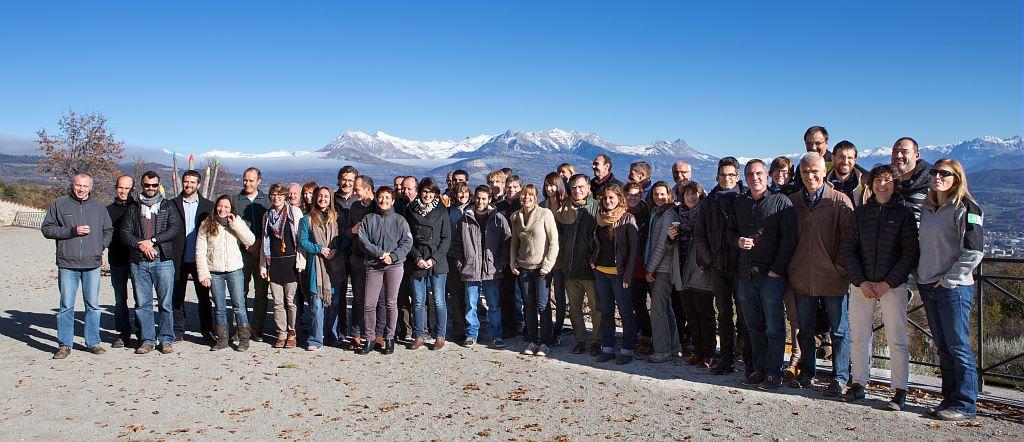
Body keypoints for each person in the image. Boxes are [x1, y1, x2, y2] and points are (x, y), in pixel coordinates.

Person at [840, 164, 919, 410]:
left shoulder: (904, 214)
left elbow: (909, 253)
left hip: (891, 286)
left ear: (895, 184)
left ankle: (899, 390)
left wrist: (888, 283)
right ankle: (859, 383)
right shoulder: (860, 213)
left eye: (887, 180)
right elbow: (848, 248)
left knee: (897, 339)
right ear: (870, 184)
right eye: (877, 180)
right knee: (860, 336)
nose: (881, 185)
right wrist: (860, 280)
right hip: (861, 284)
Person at [917, 158, 984, 421]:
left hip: (952, 289)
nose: (937, 177)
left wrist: (948, 280)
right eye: (934, 172)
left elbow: (974, 251)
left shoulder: (967, 207)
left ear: (956, 177)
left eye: (944, 173)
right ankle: (949, 399)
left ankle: (966, 403)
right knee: (943, 347)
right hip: (928, 284)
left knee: (958, 346)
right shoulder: (929, 208)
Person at [787, 153, 855, 396]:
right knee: (804, 329)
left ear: (824, 172)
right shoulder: (793, 202)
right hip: (801, 276)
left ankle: (839, 377)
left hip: (833, 279)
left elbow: (850, 239)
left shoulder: (839, 201)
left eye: (815, 171)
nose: (810, 176)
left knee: (838, 331)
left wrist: (840, 269)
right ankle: (807, 372)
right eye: (805, 172)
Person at [729, 159, 798, 390]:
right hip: (746, 274)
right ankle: (758, 369)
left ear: (767, 176)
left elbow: (789, 239)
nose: (755, 178)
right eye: (750, 174)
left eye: (759, 173)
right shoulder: (740, 203)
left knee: (774, 327)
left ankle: (773, 372)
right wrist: (737, 241)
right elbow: (729, 232)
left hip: (771, 276)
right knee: (753, 326)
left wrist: (777, 270)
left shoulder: (781, 202)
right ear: (745, 178)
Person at [42, 173, 114, 359]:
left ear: (91, 187)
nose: (81, 189)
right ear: (72, 185)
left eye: (85, 186)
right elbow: (47, 229)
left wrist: (101, 246)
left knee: (93, 305)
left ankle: (93, 342)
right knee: (66, 305)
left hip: (92, 263)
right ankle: (65, 344)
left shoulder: (99, 207)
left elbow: (108, 230)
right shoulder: (59, 204)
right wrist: (71, 232)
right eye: (78, 185)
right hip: (67, 263)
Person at [694, 157, 751, 375]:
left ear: (737, 176)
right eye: (722, 175)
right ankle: (726, 359)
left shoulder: (745, 199)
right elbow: (700, 235)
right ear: (717, 177)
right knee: (724, 315)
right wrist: (710, 260)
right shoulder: (709, 202)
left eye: (731, 175)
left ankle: (748, 360)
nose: (726, 179)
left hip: (742, 266)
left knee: (746, 315)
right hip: (719, 267)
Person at [122, 171, 182, 355]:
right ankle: (147, 340)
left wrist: (153, 241)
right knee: (142, 304)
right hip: (139, 262)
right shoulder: (133, 208)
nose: (151, 188)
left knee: (165, 303)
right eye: (147, 185)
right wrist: (141, 244)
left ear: (158, 186)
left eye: (154, 185)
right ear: (142, 185)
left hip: (162, 260)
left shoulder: (168, 206)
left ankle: (165, 339)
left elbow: (174, 228)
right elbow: (125, 232)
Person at [451, 185, 511, 348]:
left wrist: (500, 264)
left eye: (484, 198)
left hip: (492, 269)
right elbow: (456, 244)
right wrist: (461, 263)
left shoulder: (499, 219)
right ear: (474, 198)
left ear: (489, 199)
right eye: (478, 198)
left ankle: (495, 334)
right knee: (471, 304)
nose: (480, 201)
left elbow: (506, 243)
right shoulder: (464, 219)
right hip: (470, 268)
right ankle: (471, 334)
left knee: (493, 304)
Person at [356, 186, 413, 355]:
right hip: (374, 265)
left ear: (393, 200)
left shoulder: (400, 220)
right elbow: (363, 240)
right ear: (376, 198)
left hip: (394, 266)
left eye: (387, 198)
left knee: (390, 303)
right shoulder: (368, 219)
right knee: (369, 304)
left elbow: (407, 243)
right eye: (381, 197)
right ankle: (370, 338)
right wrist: (380, 254)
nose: (384, 201)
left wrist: (393, 257)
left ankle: (389, 338)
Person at [196, 195, 256, 351]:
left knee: (239, 305)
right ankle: (222, 339)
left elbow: (250, 240)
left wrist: (235, 224)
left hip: (234, 269)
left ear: (231, 209)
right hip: (215, 271)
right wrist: (203, 275)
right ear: (215, 206)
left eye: (226, 207)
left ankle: (244, 339)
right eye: (220, 206)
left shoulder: (236, 222)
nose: (222, 209)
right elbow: (200, 252)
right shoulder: (207, 224)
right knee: (220, 306)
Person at [590, 184, 639, 365]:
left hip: (620, 274)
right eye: (605, 198)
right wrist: (592, 260)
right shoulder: (600, 218)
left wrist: (628, 274)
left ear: (620, 199)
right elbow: (595, 242)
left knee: (626, 312)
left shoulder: (627, 218)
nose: (608, 201)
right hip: (601, 272)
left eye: (612, 198)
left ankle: (627, 350)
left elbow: (634, 249)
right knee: (606, 312)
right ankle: (608, 349)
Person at [510, 184, 559, 357]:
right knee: (528, 305)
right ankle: (532, 340)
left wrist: (547, 264)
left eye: (530, 195)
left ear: (536, 197)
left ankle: (546, 341)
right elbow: (514, 243)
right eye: (524, 195)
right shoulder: (516, 217)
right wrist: (513, 262)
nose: (527, 198)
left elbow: (554, 241)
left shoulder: (545, 214)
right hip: (524, 267)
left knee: (542, 304)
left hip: (541, 269)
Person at [555, 174, 603, 355]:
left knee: (596, 307)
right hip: (570, 266)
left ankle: (597, 340)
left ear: (589, 188)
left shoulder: (597, 208)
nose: (577, 190)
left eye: (581, 187)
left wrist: (595, 258)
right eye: (574, 187)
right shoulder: (563, 210)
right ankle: (580, 339)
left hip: (590, 268)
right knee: (574, 308)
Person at [405, 178, 452, 350]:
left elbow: (446, 238)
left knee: (439, 300)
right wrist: (417, 257)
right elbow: (407, 237)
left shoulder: (442, 210)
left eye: (431, 192)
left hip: (437, 262)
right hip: (417, 259)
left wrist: (434, 259)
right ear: (419, 192)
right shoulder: (410, 210)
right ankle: (419, 335)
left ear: (435, 194)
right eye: (425, 191)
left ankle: (440, 336)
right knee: (418, 300)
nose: (427, 195)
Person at [259, 183, 306, 349]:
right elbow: (265, 242)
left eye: (280, 195)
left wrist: (301, 262)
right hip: (274, 262)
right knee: (277, 302)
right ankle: (281, 333)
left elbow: (300, 239)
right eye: (273, 195)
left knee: (291, 301)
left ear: (285, 196)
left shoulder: (294, 213)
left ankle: (292, 332)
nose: (276, 198)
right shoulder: (267, 216)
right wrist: (263, 265)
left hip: (291, 261)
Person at [298, 187, 346, 351]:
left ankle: (331, 336)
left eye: (326, 196)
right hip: (316, 267)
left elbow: (344, 239)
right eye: (320, 196)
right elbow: (302, 241)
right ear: (315, 198)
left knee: (333, 304)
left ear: (331, 199)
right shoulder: (306, 220)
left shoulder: (337, 218)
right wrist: (319, 248)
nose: (323, 199)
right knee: (316, 305)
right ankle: (315, 339)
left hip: (335, 266)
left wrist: (336, 250)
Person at [170, 170, 215, 344]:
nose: (189, 185)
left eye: (192, 182)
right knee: (177, 296)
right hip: (178, 257)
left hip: (200, 259)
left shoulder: (208, 206)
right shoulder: (172, 204)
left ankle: (206, 330)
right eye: (186, 182)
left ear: (199, 184)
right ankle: (178, 330)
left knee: (203, 297)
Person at [676, 181, 714, 368]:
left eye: (694, 194)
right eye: (687, 194)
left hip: (700, 270)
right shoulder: (679, 216)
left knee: (704, 314)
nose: (690, 198)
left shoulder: (706, 215)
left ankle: (709, 353)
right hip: (682, 270)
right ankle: (697, 351)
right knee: (691, 314)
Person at [646, 181, 682, 363]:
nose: (658, 197)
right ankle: (674, 347)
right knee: (667, 309)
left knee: (658, 311)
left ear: (669, 195)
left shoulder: (668, 215)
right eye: (655, 194)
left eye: (662, 194)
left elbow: (662, 246)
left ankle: (662, 350)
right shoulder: (660, 213)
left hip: (663, 268)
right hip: (662, 267)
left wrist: (650, 269)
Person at [235, 167, 270, 341]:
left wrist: (259, 245)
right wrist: (248, 244)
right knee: (240, 291)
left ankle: (257, 328)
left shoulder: (267, 201)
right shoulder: (236, 201)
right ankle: (240, 327)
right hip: (242, 253)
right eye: (245, 180)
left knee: (261, 292)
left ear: (258, 181)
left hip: (262, 254)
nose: (247, 183)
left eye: (251, 180)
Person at [344, 175, 376, 350]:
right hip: (357, 259)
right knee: (358, 299)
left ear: (368, 189)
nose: (353, 191)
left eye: (357, 188)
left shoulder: (378, 206)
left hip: (375, 260)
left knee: (376, 299)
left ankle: (375, 334)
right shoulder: (355, 207)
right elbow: (347, 232)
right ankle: (355, 334)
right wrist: (353, 230)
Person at [107, 175, 138, 348]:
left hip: (136, 259)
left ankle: (141, 332)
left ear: (132, 189)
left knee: (141, 298)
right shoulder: (108, 210)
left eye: (127, 188)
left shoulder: (137, 208)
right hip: (117, 259)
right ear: (116, 187)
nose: (123, 191)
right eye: (121, 187)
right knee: (120, 299)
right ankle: (123, 333)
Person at [624, 182, 653, 355]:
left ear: (641, 195)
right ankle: (633, 334)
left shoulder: (647, 213)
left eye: (636, 194)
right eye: (630, 194)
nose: (633, 197)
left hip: (642, 264)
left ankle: (647, 336)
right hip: (626, 264)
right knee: (630, 302)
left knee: (640, 303)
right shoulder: (621, 212)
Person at [541, 172, 570, 343]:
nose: (549, 188)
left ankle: (558, 329)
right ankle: (546, 327)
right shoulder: (542, 206)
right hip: (544, 257)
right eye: (546, 185)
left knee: (560, 295)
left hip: (561, 258)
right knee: (544, 295)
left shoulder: (566, 205)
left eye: (552, 185)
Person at [446, 180, 472, 343]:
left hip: (472, 258)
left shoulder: (474, 209)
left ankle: (471, 329)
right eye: (460, 192)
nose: (463, 195)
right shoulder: (449, 211)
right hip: (452, 257)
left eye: (466, 192)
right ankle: (459, 329)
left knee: (470, 296)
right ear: (454, 194)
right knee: (456, 295)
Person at [394, 176, 418, 340]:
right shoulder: (397, 206)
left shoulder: (422, 206)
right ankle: (406, 328)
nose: (405, 191)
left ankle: (421, 328)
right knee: (401, 295)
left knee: (419, 296)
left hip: (417, 257)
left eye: (409, 188)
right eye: (403, 188)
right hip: (400, 257)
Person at [890, 137, 932, 225]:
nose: (898, 155)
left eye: (905, 152)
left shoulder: (933, 179)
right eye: (895, 151)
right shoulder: (884, 179)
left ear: (916, 155)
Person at [826, 141, 867, 206]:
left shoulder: (864, 183)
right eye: (841, 157)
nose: (845, 162)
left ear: (855, 160)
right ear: (833, 158)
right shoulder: (823, 182)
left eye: (850, 158)